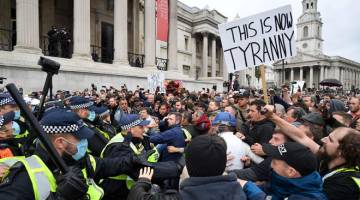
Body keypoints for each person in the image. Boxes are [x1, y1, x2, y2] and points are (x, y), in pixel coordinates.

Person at [0, 109, 145, 200]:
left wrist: (133, 159)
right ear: (60, 142)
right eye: (80, 137)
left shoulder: (77, 159)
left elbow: (107, 165)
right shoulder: (24, 179)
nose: (85, 141)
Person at [263, 104, 360, 200]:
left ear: (341, 152)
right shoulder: (328, 157)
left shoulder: (344, 185)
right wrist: (272, 116)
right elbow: (300, 136)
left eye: (330, 140)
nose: (323, 140)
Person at [127, 135, 248, 200]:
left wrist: (143, 182)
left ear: (188, 166)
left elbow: (137, 197)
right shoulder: (243, 192)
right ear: (224, 163)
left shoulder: (181, 197)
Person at [239, 142, 327, 200]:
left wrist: (248, 187)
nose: (270, 164)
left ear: (290, 171)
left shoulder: (310, 198)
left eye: (274, 162)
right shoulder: (283, 180)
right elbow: (268, 189)